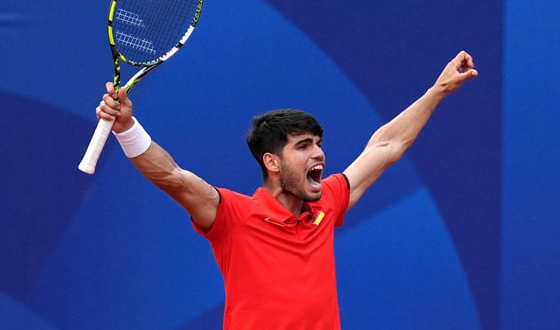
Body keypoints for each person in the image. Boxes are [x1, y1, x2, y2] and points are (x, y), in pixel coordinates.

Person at [96, 50, 478, 329]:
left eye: (318, 144)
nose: (319, 154)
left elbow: (385, 146)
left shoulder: (327, 202)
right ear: (272, 162)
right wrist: (126, 127)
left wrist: (438, 90)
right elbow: (172, 176)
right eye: (304, 146)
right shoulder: (232, 215)